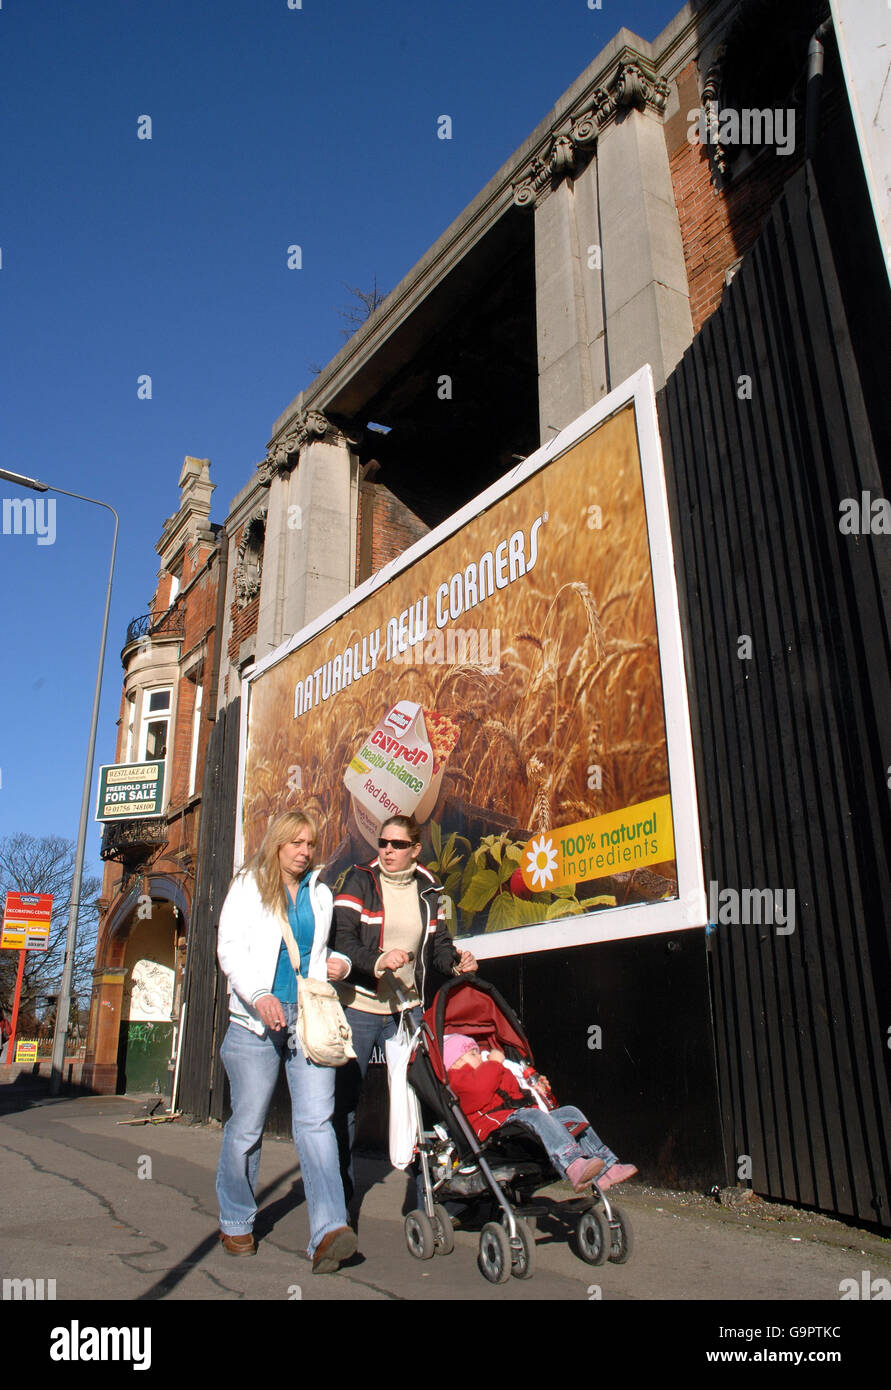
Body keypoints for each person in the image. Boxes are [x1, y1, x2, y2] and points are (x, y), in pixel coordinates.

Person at [215, 809, 357, 1274]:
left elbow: (315, 954)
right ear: (276, 843)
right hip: (254, 1022)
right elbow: (230, 948)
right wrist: (258, 996)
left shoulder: (320, 893)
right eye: (296, 842)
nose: (305, 851)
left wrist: (342, 965)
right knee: (249, 1125)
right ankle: (237, 1219)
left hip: (307, 1019)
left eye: (311, 844)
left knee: (317, 1123)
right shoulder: (248, 884)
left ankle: (330, 1231)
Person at [332, 814, 477, 1195]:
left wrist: (456, 961)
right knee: (347, 1099)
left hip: (407, 1010)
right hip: (360, 1007)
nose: (388, 851)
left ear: (415, 850)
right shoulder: (358, 880)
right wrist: (377, 961)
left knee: (421, 1093)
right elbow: (342, 940)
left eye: (397, 845)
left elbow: (439, 943)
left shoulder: (428, 887)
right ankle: (340, 1192)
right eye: (383, 843)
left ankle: (426, 1187)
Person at [443, 1033, 637, 1193]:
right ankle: (573, 1165)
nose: (480, 1056)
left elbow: (516, 1094)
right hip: (495, 1126)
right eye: (473, 1053)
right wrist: (493, 1063)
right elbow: (479, 1090)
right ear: (456, 1062)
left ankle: (606, 1167)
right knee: (534, 1117)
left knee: (570, 1112)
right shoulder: (458, 1079)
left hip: (517, 1116)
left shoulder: (491, 1072)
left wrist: (537, 1091)